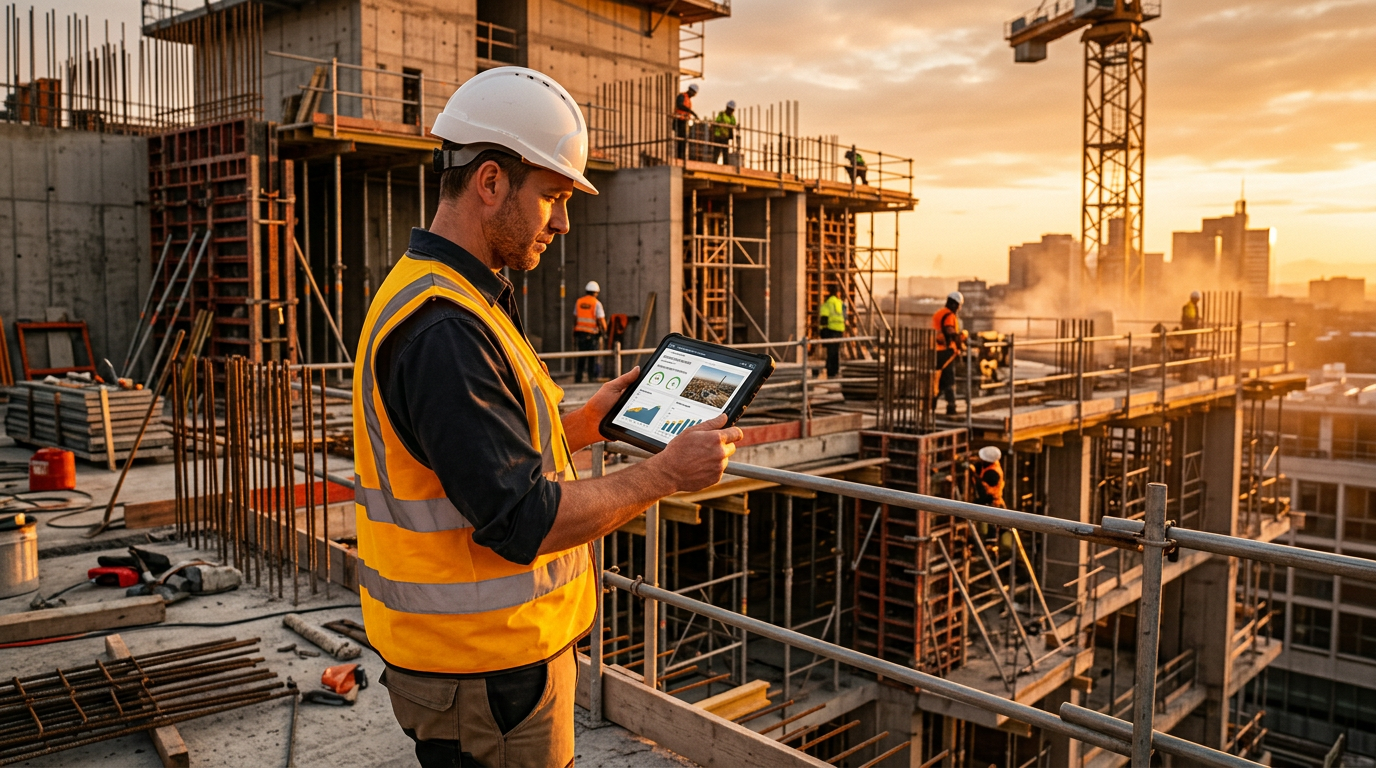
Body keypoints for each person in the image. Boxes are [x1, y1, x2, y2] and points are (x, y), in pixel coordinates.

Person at [353, 66, 744, 768]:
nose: (563, 222)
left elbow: (465, 460)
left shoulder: (439, 293)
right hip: (488, 675)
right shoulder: (446, 327)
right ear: (492, 182)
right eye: (555, 197)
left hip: (466, 665)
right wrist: (662, 474)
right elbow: (521, 520)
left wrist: (581, 426)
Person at [931, 291, 966, 416]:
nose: (958, 309)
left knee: (940, 382)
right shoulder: (949, 316)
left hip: (936, 350)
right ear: (955, 304)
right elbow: (950, 330)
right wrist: (961, 339)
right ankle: (951, 408)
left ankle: (932, 405)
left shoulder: (939, 313)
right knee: (949, 381)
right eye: (959, 306)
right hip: (945, 351)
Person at [574, 280, 607, 383]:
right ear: (596, 292)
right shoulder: (596, 303)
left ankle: (578, 379)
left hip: (580, 333)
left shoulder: (579, 301)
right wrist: (605, 331)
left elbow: (575, 317)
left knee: (581, 357)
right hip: (592, 334)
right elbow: (601, 319)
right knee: (592, 357)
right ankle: (591, 378)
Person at [818, 284, 846, 378]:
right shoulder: (840, 302)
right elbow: (844, 316)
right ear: (837, 293)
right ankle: (835, 369)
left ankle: (830, 371)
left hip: (831, 330)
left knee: (831, 352)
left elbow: (824, 318)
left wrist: (822, 331)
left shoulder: (828, 303)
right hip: (839, 330)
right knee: (836, 351)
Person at [673, 83, 699, 160]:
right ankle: (679, 157)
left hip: (684, 121)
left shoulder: (688, 99)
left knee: (683, 141)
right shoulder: (682, 96)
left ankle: (682, 157)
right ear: (690, 90)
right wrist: (691, 111)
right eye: (693, 92)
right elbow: (679, 105)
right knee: (680, 140)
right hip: (679, 121)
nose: (693, 94)